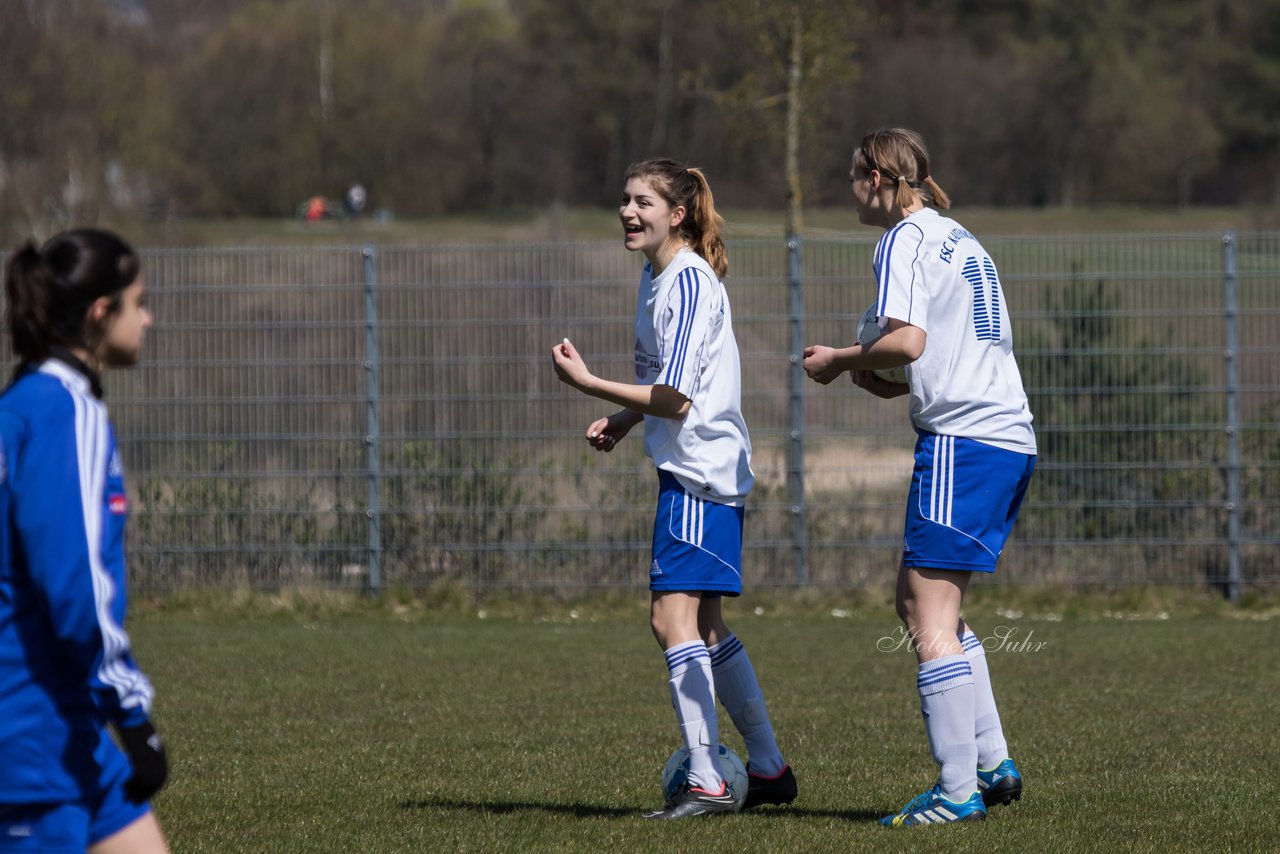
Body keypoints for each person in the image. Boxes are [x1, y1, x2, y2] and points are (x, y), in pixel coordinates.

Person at [802, 128, 1036, 827]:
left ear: (877, 177)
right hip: (1006, 435)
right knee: (925, 604)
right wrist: (883, 375)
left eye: (852, 176)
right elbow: (933, 352)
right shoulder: (956, 236)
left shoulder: (901, 239)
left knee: (925, 613)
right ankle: (991, 763)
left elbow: (909, 339)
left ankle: (957, 788)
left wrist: (840, 359)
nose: (849, 189)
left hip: (965, 441)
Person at [552, 159, 798, 820]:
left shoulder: (687, 280)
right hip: (697, 468)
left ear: (678, 213)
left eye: (644, 202)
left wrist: (591, 384)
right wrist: (629, 419)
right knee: (707, 628)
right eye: (625, 200)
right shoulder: (656, 275)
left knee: (671, 620)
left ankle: (709, 781)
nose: (629, 213)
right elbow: (672, 386)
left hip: (699, 473)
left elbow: (681, 396)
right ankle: (769, 768)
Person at [0, 229, 170, 852]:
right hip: (32, 740)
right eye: (139, 302)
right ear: (102, 313)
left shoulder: (21, 405)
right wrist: (134, 715)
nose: (148, 319)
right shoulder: (68, 414)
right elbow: (77, 590)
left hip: (72, 733)